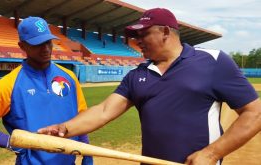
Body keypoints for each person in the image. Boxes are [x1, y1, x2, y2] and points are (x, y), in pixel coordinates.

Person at [37, 8, 261, 165]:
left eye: (143, 34)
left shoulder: (213, 61)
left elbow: (255, 112)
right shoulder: (137, 75)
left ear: (165, 32)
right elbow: (104, 111)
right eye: (135, 36)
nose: (137, 41)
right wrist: (63, 129)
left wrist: (212, 154)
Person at [0, 16, 93, 165]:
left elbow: (80, 118)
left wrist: (87, 152)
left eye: (48, 42)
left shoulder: (70, 77)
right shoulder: (9, 84)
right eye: (38, 44)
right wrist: (13, 144)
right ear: (22, 46)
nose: (46, 49)